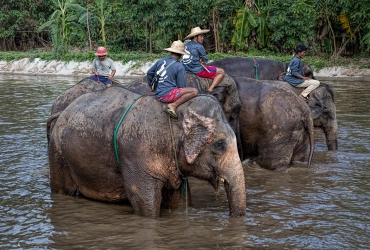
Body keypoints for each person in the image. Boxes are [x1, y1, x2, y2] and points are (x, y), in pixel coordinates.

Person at [147, 40, 198, 119]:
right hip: (166, 95)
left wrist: (151, 87)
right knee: (194, 91)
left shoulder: (161, 61)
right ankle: (173, 105)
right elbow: (181, 86)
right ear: (181, 54)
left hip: (157, 94)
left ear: (171, 51)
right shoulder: (179, 66)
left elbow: (149, 73)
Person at [182, 27, 225, 93]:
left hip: (186, 69)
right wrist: (201, 60)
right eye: (201, 36)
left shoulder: (186, 45)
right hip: (197, 70)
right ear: (195, 37)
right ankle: (211, 88)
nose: (202, 38)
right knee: (221, 71)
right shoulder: (199, 46)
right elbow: (205, 60)